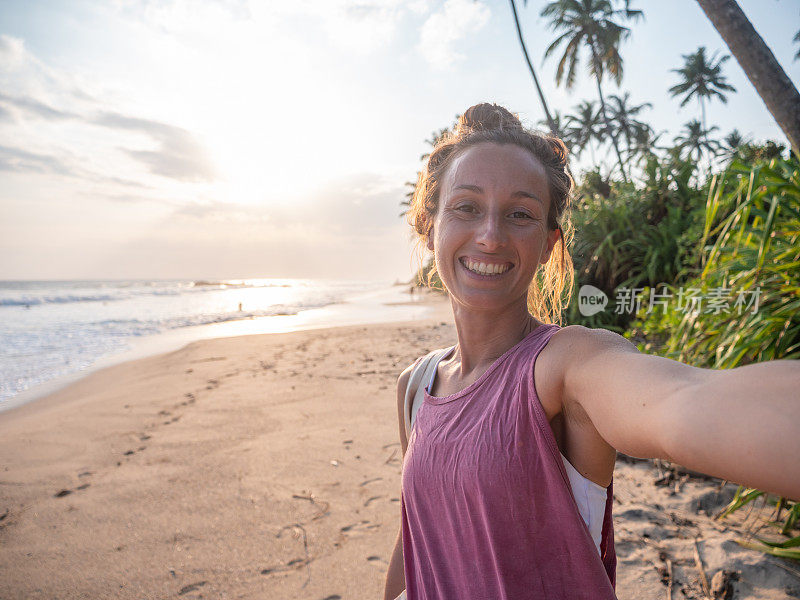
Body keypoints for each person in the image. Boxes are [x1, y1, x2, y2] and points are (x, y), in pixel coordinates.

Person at [382, 103, 800, 600]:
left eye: (520, 214)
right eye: (466, 207)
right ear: (430, 227)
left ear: (548, 244)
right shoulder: (416, 386)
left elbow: (683, 400)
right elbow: (416, 538)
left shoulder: (564, 366)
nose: (490, 236)